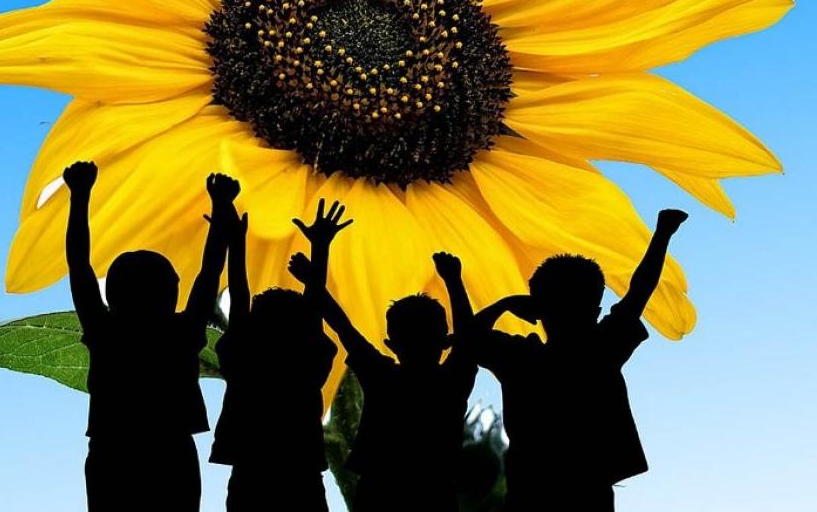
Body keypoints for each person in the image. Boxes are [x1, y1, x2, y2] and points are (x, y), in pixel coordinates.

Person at [472, 208, 688, 512]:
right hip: (589, 491)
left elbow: (468, 338)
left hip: (530, 492)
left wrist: (504, 305)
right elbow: (639, 292)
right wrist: (662, 235)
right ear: (597, 307)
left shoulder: (521, 359)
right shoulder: (600, 349)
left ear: (536, 306)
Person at [64, 161, 236, 512]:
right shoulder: (182, 332)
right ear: (171, 293)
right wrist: (221, 209)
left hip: (113, 448)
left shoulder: (105, 329)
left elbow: (79, 265)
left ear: (112, 295)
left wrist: (79, 196)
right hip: (171, 449)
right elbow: (209, 272)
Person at [288, 211, 478, 512]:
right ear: (445, 340)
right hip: (435, 490)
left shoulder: (382, 376)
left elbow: (341, 325)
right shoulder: (452, 381)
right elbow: (469, 339)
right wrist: (454, 281)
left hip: (379, 488)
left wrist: (316, 263)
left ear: (389, 344)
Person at [209, 199, 342, 511]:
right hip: (301, 468)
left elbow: (239, 295)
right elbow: (312, 309)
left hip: (250, 467)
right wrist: (320, 247)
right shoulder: (306, 362)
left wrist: (236, 240)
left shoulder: (245, 357)